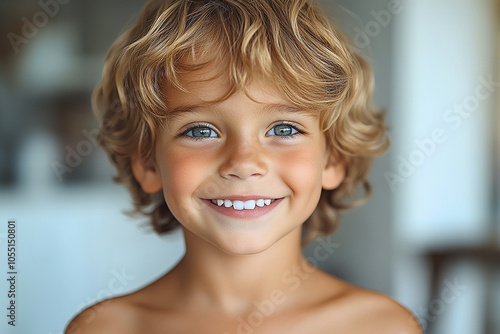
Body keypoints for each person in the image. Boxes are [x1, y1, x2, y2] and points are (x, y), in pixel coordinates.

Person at [66, 0, 422, 333]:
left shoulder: (381, 326)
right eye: (201, 131)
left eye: (284, 129)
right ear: (147, 162)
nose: (244, 163)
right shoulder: (104, 328)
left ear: (334, 159)